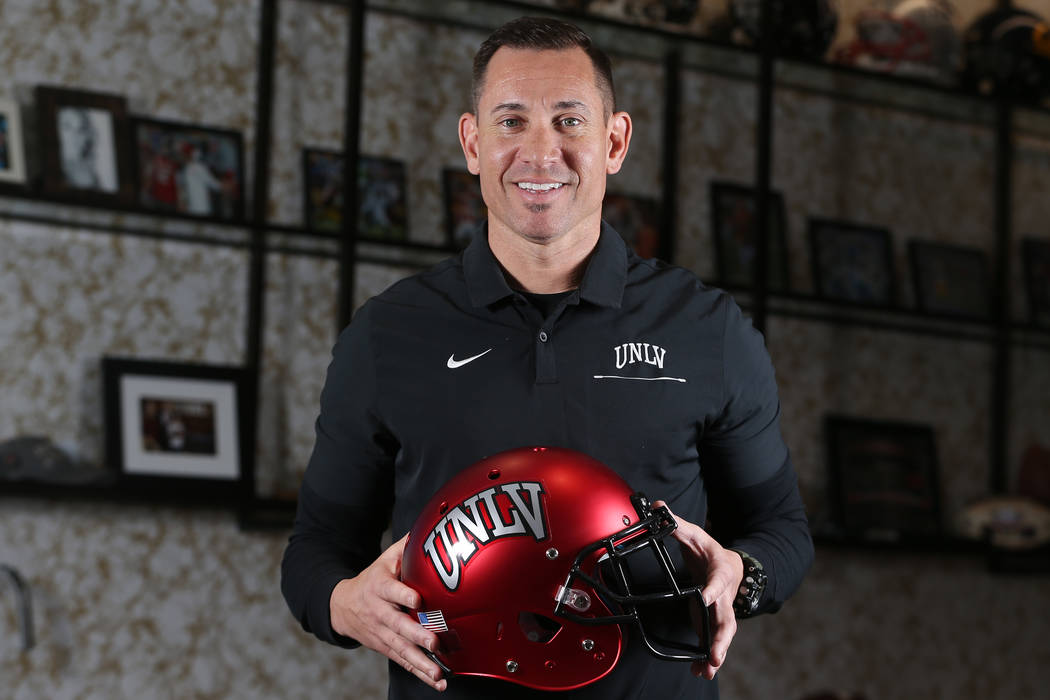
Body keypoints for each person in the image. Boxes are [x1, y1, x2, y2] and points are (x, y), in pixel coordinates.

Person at [281, 16, 813, 700]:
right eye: (511, 121)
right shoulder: (388, 334)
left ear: (614, 141)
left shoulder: (707, 330)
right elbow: (315, 549)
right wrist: (342, 604)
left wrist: (746, 574)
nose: (540, 152)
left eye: (568, 121)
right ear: (472, 143)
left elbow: (782, 531)